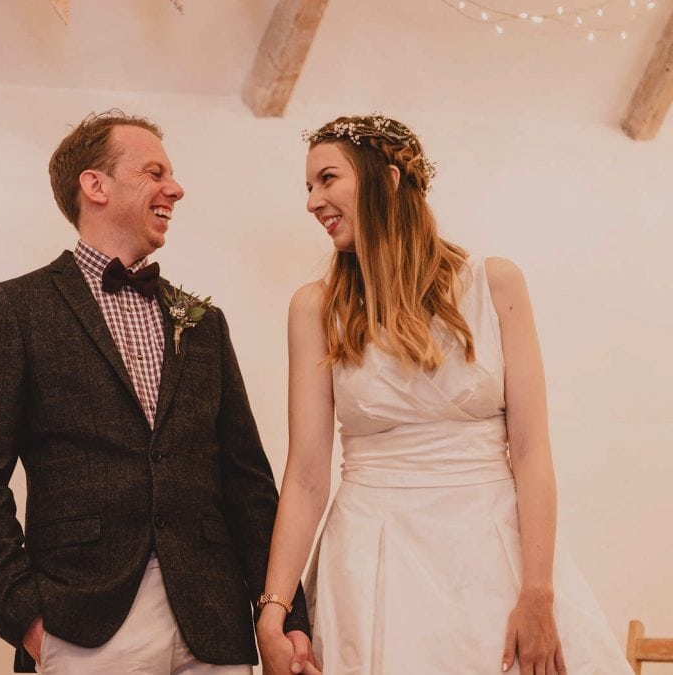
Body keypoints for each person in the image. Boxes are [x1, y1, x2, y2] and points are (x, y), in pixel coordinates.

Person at [256, 114, 633, 674]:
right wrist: (275, 608)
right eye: (308, 186)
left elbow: (530, 451)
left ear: (385, 181)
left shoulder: (495, 283)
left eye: (327, 179)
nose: (313, 200)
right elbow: (308, 474)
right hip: (371, 555)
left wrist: (537, 593)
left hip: (491, 550)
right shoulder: (315, 308)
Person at [0, 110, 312, 674]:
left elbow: (248, 484)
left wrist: (288, 616)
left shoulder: (203, 322)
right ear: (95, 185)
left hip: (213, 623)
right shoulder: (16, 309)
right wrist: (25, 617)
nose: (176, 188)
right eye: (154, 171)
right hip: (83, 624)